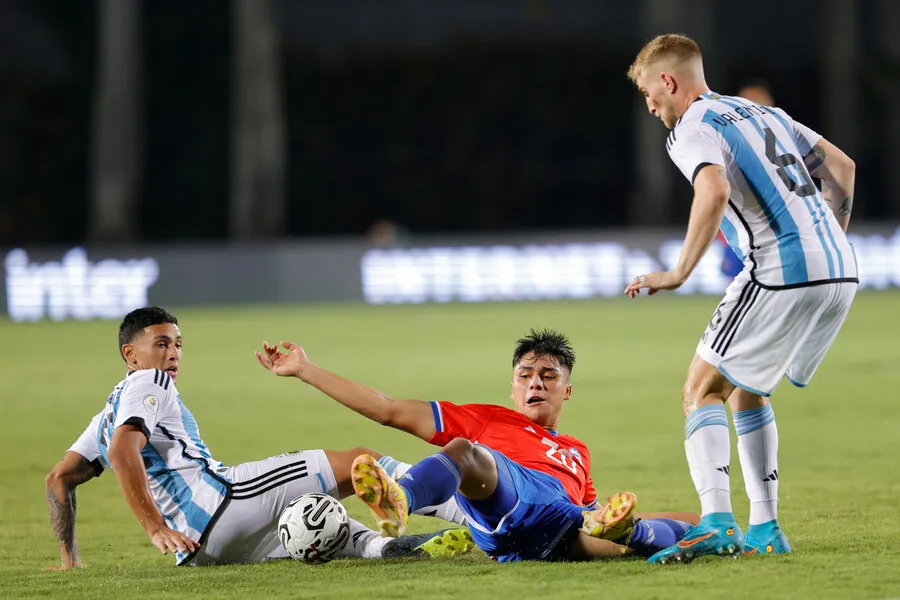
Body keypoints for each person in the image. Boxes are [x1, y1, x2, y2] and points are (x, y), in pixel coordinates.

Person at [624, 34, 857, 563]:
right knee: (747, 390)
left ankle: (716, 524)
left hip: (782, 268)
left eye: (646, 92)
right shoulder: (763, 113)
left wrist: (678, 272)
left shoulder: (691, 127)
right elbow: (842, 168)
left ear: (668, 81)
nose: (650, 105)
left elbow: (714, 191)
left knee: (700, 388)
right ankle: (767, 527)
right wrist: (829, 241)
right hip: (841, 267)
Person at [44, 306, 472, 569]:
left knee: (313, 524)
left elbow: (58, 479)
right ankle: (473, 517)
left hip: (199, 551)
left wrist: (69, 558)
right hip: (224, 502)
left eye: (178, 344)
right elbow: (123, 452)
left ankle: (383, 550)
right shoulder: (149, 381)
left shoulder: (105, 416)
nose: (172, 354)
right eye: (160, 344)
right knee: (360, 460)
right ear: (130, 355)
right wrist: (154, 528)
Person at [256, 328, 701, 563]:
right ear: (511, 387)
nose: (536, 384)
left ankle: (661, 540)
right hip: (505, 500)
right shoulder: (488, 418)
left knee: (693, 522)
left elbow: (586, 510)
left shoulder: (576, 451)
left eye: (548, 376)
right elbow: (387, 409)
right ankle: (400, 498)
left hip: (557, 530)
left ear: (567, 390)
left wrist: (603, 517)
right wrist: (306, 370)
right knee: (467, 451)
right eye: (525, 375)